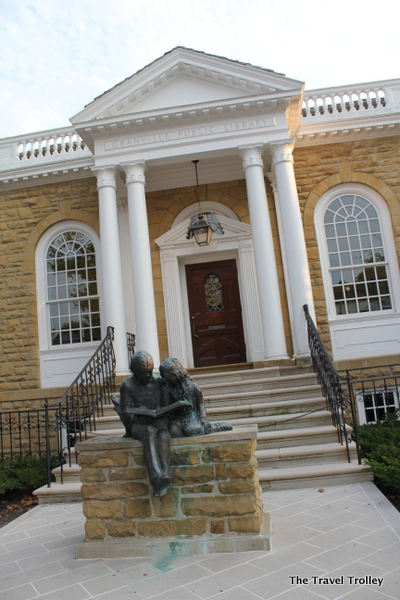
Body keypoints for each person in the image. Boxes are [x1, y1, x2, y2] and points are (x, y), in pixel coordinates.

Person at [119, 351, 171, 497]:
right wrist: (141, 417)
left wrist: (162, 415)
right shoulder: (127, 386)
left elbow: (165, 404)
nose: (148, 376)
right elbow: (127, 412)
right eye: (144, 373)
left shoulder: (159, 382)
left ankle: (165, 477)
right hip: (139, 425)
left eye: (150, 372)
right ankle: (156, 476)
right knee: (149, 431)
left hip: (158, 422)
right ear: (134, 371)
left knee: (163, 435)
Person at [159, 357, 232, 438]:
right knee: (173, 431)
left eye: (167, 375)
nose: (165, 378)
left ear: (175, 374)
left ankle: (216, 427)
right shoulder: (167, 389)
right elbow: (167, 408)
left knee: (188, 429)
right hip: (178, 418)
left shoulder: (193, 387)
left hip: (192, 417)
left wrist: (203, 418)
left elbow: (201, 405)